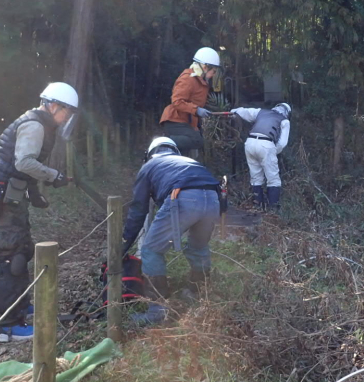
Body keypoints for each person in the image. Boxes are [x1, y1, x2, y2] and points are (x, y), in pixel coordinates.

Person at [0, 82, 79, 343]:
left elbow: (23, 168)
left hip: (14, 198)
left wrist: (35, 194)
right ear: (53, 105)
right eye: (66, 112)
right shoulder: (35, 125)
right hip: (4, 200)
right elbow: (24, 162)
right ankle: (9, 327)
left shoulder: (40, 124)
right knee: (10, 259)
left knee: (22, 251)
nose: (66, 118)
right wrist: (53, 176)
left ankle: (21, 307)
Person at [121, 137, 222, 324]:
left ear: (149, 154)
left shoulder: (150, 166)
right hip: (213, 198)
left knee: (151, 250)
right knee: (198, 248)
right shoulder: (189, 162)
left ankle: (157, 311)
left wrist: (125, 244)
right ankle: (199, 295)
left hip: (183, 197)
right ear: (175, 150)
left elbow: (138, 210)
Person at [159, 46, 222, 155]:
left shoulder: (200, 80)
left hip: (186, 122)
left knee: (184, 154)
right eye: (214, 71)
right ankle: (165, 143)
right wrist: (197, 110)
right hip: (175, 121)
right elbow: (177, 102)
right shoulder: (188, 78)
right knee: (197, 140)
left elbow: (196, 102)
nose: (214, 75)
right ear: (205, 67)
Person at [230, 103, 291, 210]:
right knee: (273, 178)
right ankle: (273, 209)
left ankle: (257, 205)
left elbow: (244, 111)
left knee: (256, 177)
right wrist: (273, 151)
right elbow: (282, 143)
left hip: (249, 143)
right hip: (266, 144)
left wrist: (233, 111)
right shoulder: (284, 121)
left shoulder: (261, 112)